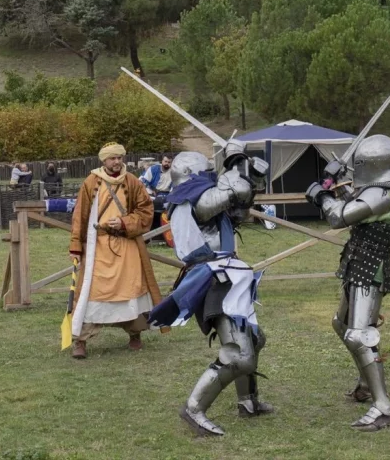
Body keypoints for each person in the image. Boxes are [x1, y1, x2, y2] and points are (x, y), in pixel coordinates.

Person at [148, 143, 272, 436]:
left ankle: (248, 401)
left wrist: (250, 176)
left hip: (227, 274)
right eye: (207, 173)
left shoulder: (199, 198)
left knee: (253, 339)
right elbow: (228, 194)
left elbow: (238, 209)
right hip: (212, 278)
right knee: (239, 354)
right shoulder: (191, 199)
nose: (210, 177)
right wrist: (233, 163)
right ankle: (194, 408)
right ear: (193, 176)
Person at [307, 135, 390, 432]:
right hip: (358, 266)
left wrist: (321, 196)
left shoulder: (381, 195)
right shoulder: (385, 189)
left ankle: (382, 406)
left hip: (370, 271)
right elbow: (358, 204)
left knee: (358, 335)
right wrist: (339, 180)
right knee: (341, 325)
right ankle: (366, 384)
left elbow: (340, 217)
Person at [68, 143, 161, 359]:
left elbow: (146, 211)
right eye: (112, 158)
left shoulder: (132, 182)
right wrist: (75, 246)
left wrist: (124, 222)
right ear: (104, 161)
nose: (117, 162)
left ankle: (135, 334)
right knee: (92, 293)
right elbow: (79, 216)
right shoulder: (91, 182)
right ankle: (81, 340)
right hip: (97, 248)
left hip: (126, 247)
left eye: (120, 157)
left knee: (131, 291)